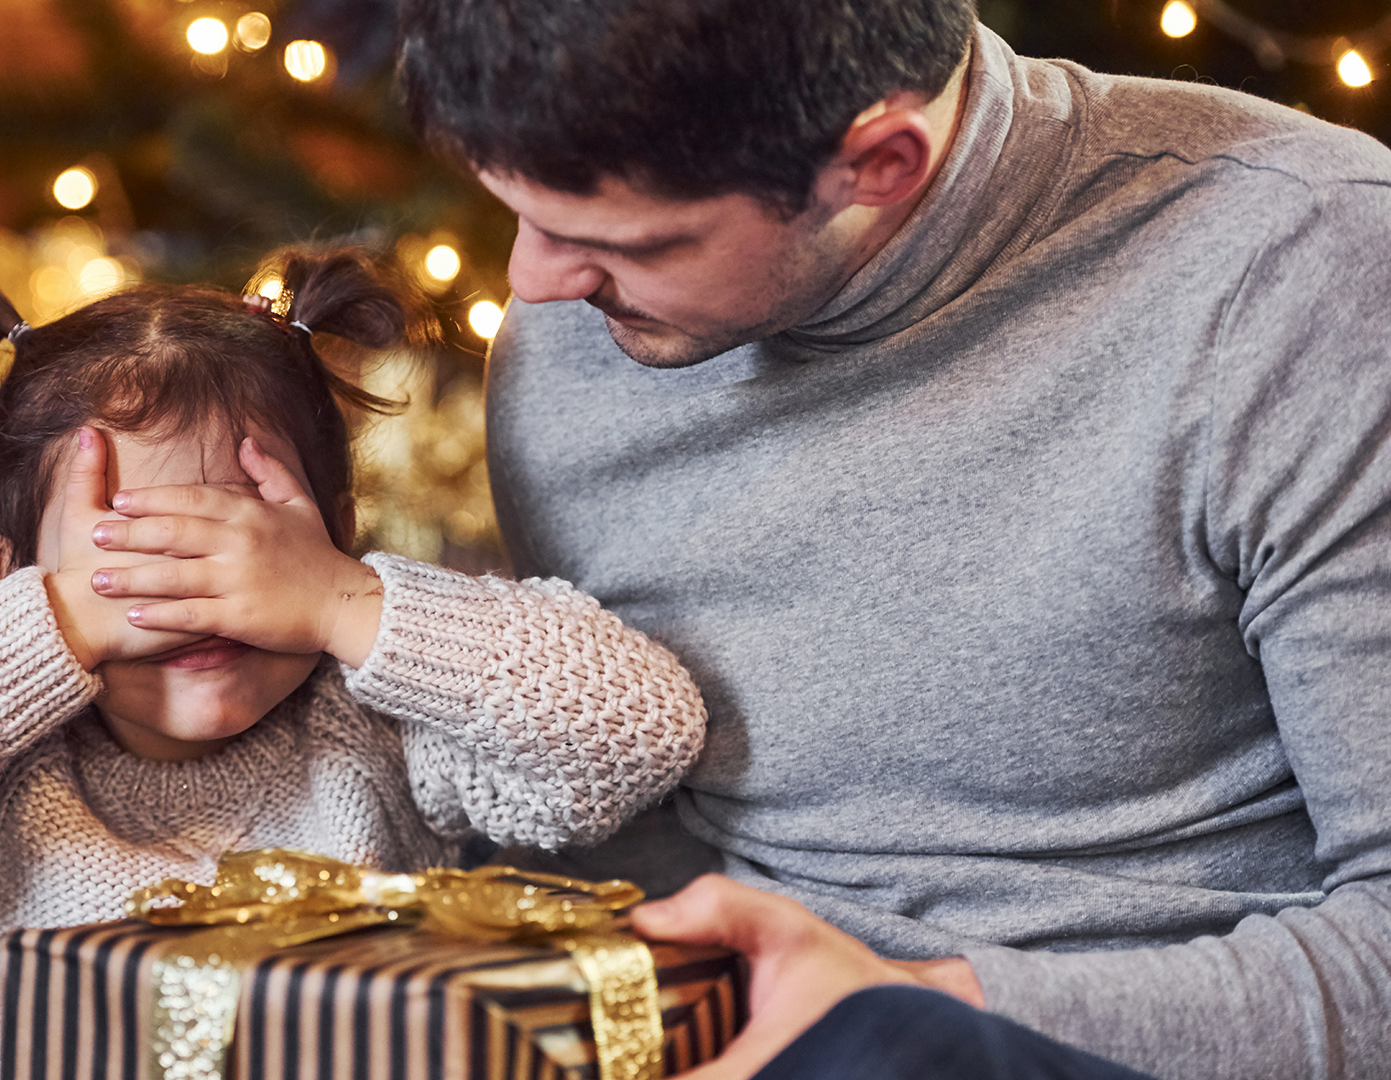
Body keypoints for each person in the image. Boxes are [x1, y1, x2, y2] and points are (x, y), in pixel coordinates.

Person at [387, 1, 1391, 1078]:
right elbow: (620, 855)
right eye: (521, 217)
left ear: (880, 162)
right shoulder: (574, 350)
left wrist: (917, 1015)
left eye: (619, 241)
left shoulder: (1309, 271)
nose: (533, 285)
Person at [0, 249, 708, 1080]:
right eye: (130, 552)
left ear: (328, 538)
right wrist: (49, 623)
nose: (199, 595)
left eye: (241, 544)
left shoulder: (375, 724)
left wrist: (339, 602)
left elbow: (636, 730)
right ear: (14, 578)